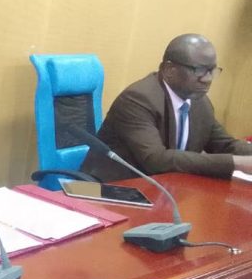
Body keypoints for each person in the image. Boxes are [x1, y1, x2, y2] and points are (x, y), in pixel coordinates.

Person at [80, 33, 252, 182]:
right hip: (114, 188)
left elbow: (225, 145)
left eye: (212, 71)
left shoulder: (200, 103)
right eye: (199, 70)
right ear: (170, 70)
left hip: (165, 189)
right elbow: (156, 159)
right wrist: (237, 163)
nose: (207, 79)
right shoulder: (138, 99)